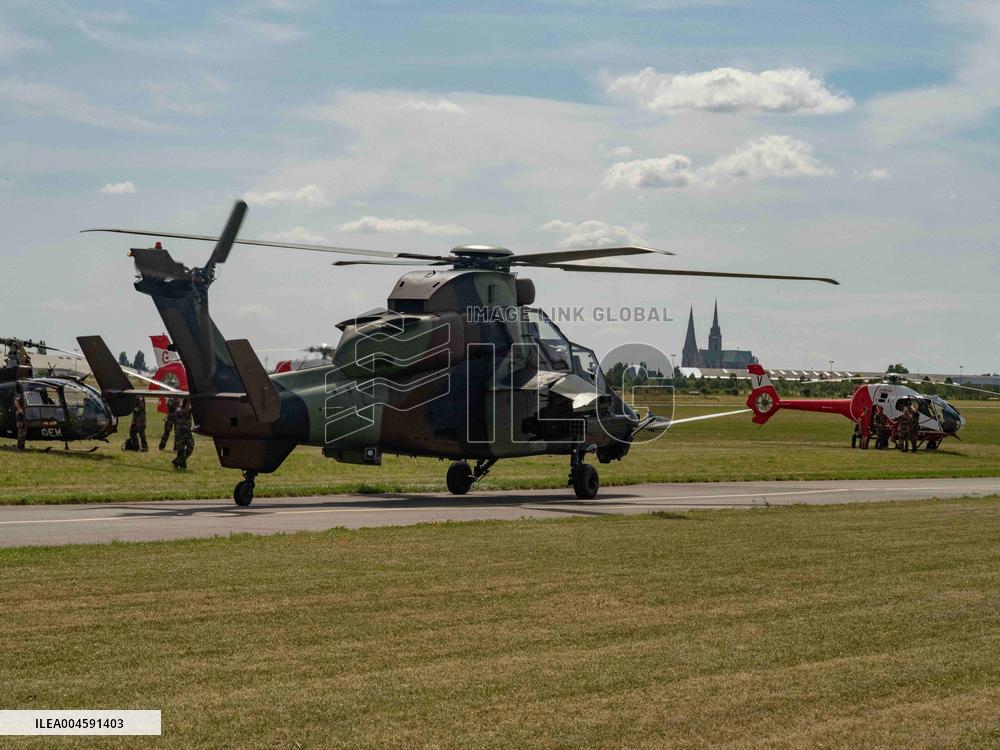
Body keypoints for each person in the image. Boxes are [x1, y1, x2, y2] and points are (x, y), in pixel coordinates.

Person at [172, 399, 194, 469]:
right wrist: (188, 403)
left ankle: (178, 461)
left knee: (190, 447)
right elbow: (182, 412)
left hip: (187, 431)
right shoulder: (179, 408)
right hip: (181, 432)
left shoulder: (188, 408)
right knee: (181, 449)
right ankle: (180, 463)